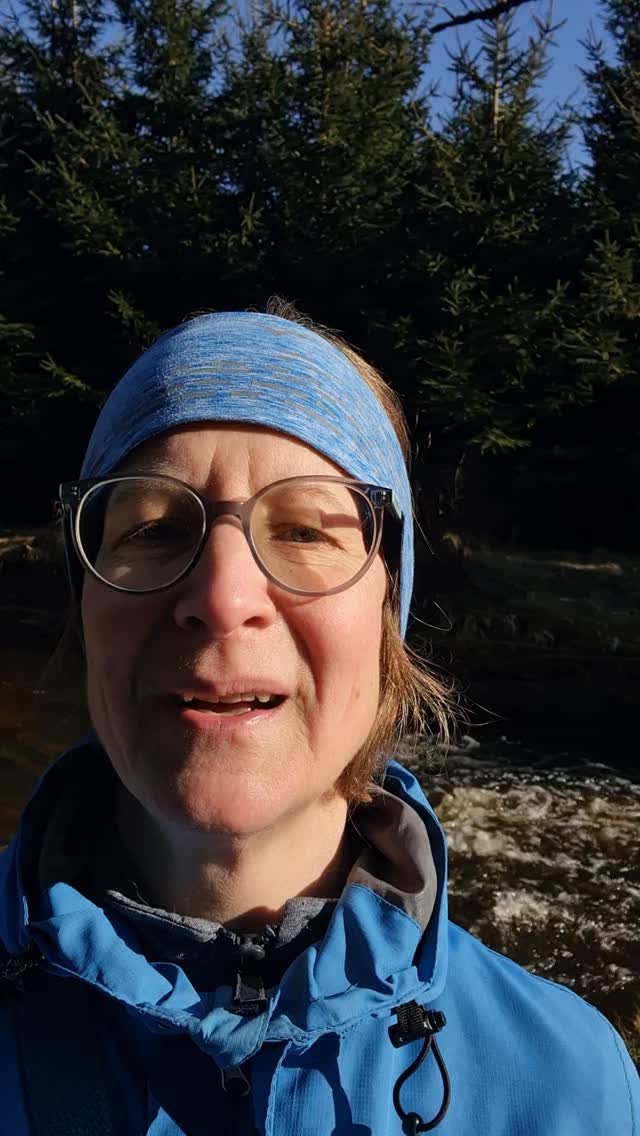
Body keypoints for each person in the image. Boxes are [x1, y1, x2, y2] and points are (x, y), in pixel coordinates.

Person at [0, 302, 637, 1136]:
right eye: (153, 529)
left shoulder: (569, 1084)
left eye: (304, 530)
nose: (223, 597)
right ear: (86, 605)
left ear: (388, 616)